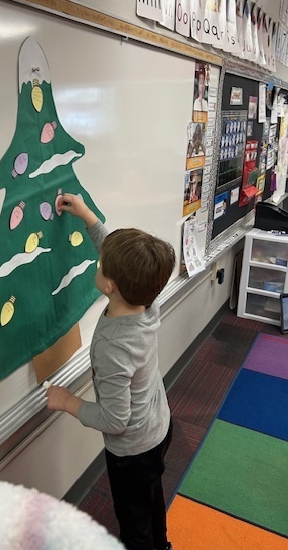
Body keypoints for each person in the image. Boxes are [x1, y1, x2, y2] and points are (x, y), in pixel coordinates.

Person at [46, 193, 176, 550]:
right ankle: (162, 545)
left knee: (133, 523)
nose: (98, 264)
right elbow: (118, 257)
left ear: (109, 285)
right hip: (158, 427)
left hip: (132, 451)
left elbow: (115, 419)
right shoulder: (147, 301)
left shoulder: (113, 349)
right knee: (152, 499)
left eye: (101, 265)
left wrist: (68, 402)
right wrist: (89, 218)